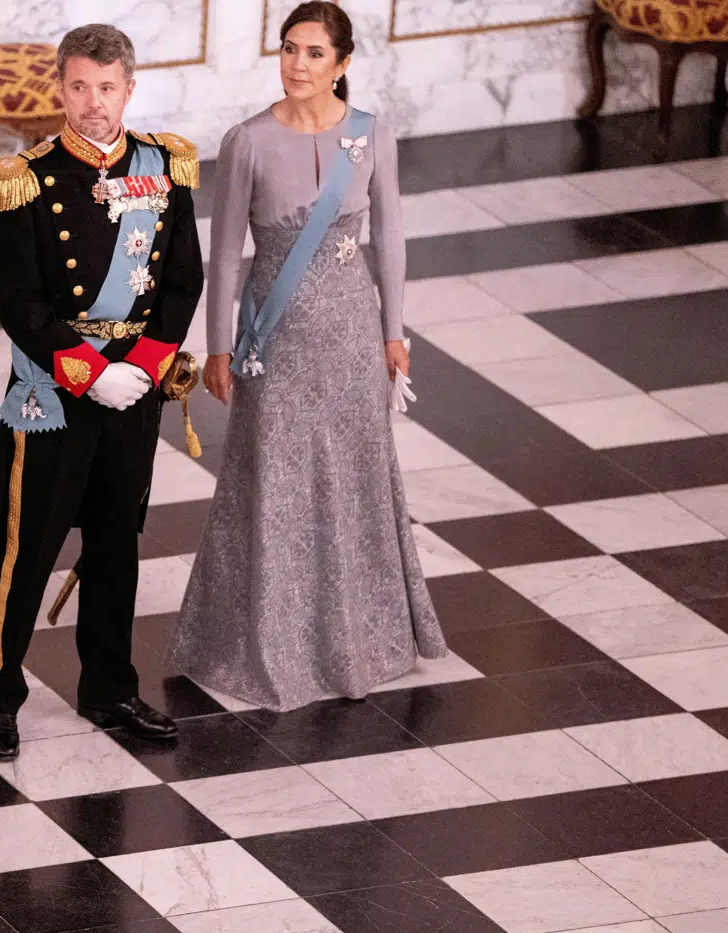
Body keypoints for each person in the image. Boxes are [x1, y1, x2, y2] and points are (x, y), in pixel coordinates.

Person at [166, 2, 447, 712]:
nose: (297, 64)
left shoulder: (371, 135)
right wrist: (219, 346)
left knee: (355, 475)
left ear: (343, 64)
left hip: (351, 332)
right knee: (273, 481)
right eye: (290, 48)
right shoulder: (248, 141)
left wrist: (393, 332)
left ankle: (363, 639)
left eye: (315, 53)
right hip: (275, 338)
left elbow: (391, 236)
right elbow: (223, 253)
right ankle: (265, 644)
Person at [0, 23, 205, 760]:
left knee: (115, 545)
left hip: (134, 389)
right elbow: (19, 302)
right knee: (27, 549)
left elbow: (182, 280)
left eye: (106, 88)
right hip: (55, 389)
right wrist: (92, 372)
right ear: (61, 88)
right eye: (79, 87)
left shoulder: (166, 166)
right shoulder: (24, 179)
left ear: (129, 89)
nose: (93, 103)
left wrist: (144, 365)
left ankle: (109, 688)